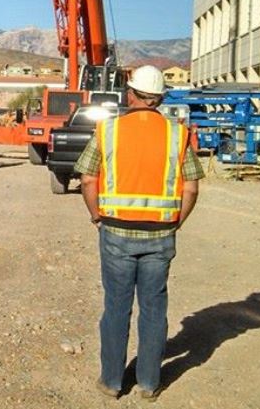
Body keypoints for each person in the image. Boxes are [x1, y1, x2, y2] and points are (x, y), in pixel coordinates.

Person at [73, 65, 203, 401]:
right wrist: (176, 222)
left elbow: (87, 178)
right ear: (159, 98)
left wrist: (96, 215)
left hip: (115, 231)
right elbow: (191, 188)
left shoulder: (107, 130)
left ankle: (112, 382)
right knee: (154, 308)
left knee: (116, 307)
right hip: (161, 234)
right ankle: (148, 383)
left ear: (131, 94)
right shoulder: (178, 133)